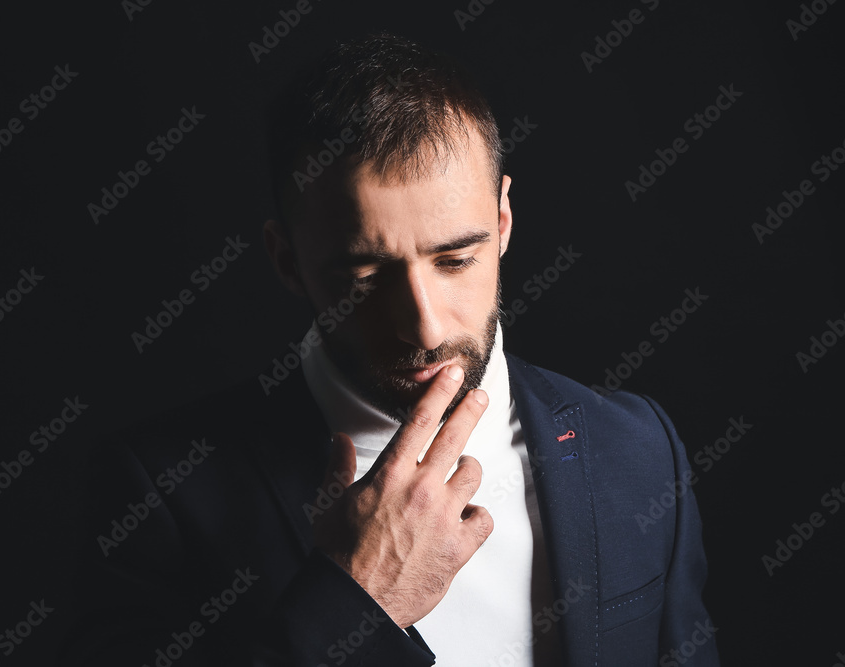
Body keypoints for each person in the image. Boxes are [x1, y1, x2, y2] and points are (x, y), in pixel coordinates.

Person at [61, 33, 719, 667]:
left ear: (503, 222)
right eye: (365, 278)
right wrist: (355, 600)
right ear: (287, 261)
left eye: (456, 259)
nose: (426, 329)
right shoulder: (158, 496)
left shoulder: (636, 447)